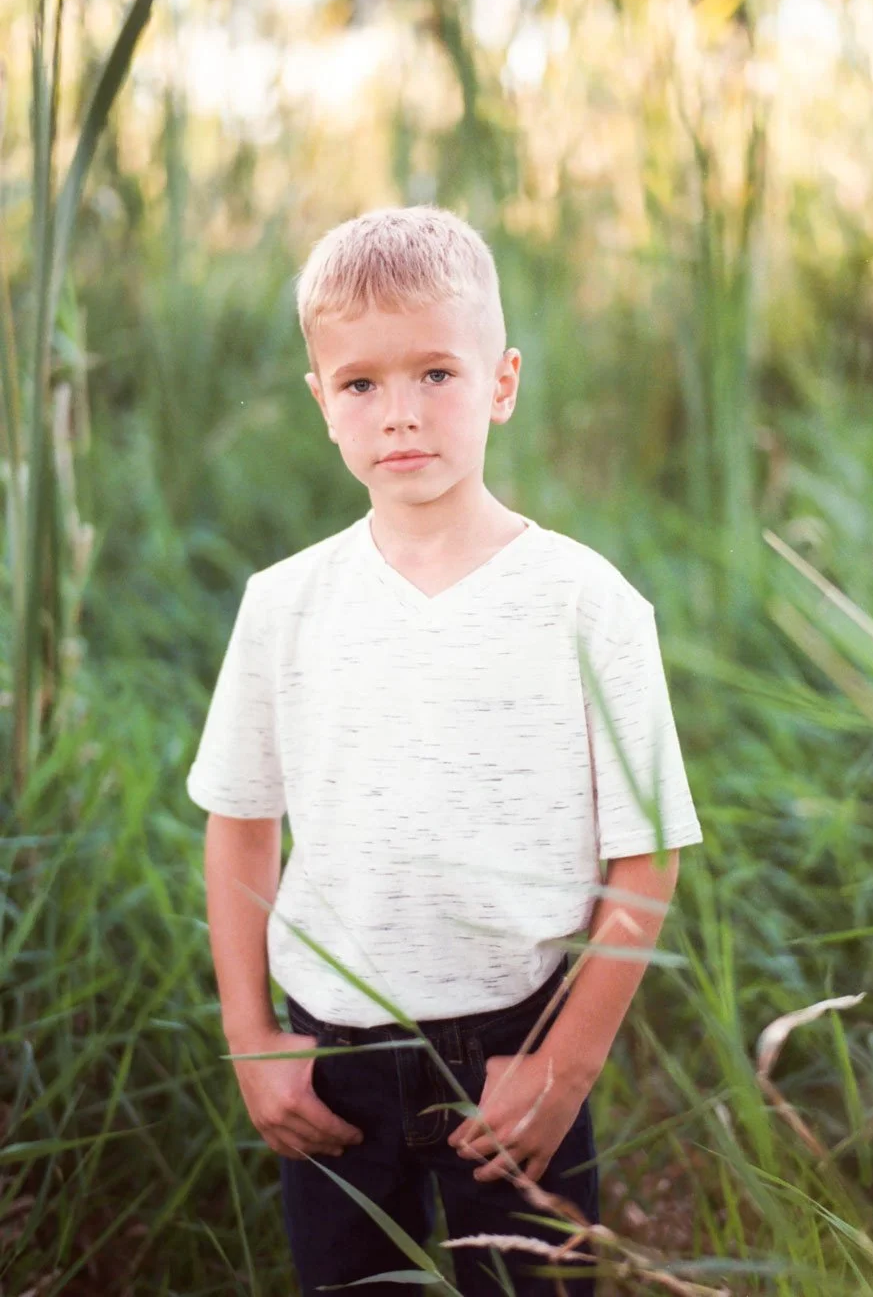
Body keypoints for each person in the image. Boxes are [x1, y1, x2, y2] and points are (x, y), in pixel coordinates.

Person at [185, 205, 704, 1296]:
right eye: (362, 382)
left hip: (519, 1045)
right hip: (332, 1061)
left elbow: (648, 855)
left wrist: (566, 1066)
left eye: (436, 372)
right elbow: (241, 821)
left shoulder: (586, 602)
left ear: (502, 383)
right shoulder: (283, 606)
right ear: (321, 401)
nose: (400, 413)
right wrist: (250, 1032)